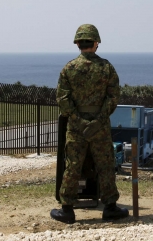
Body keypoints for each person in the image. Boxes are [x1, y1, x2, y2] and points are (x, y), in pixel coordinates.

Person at [50, 24, 129, 224]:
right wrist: (97, 121)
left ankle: (67, 209)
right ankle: (110, 207)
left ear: (77, 43)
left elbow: (63, 100)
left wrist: (79, 121)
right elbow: (113, 97)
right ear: (96, 43)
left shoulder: (68, 69)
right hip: (100, 127)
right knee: (105, 165)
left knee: (73, 165)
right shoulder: (106, 68)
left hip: (76, 128)